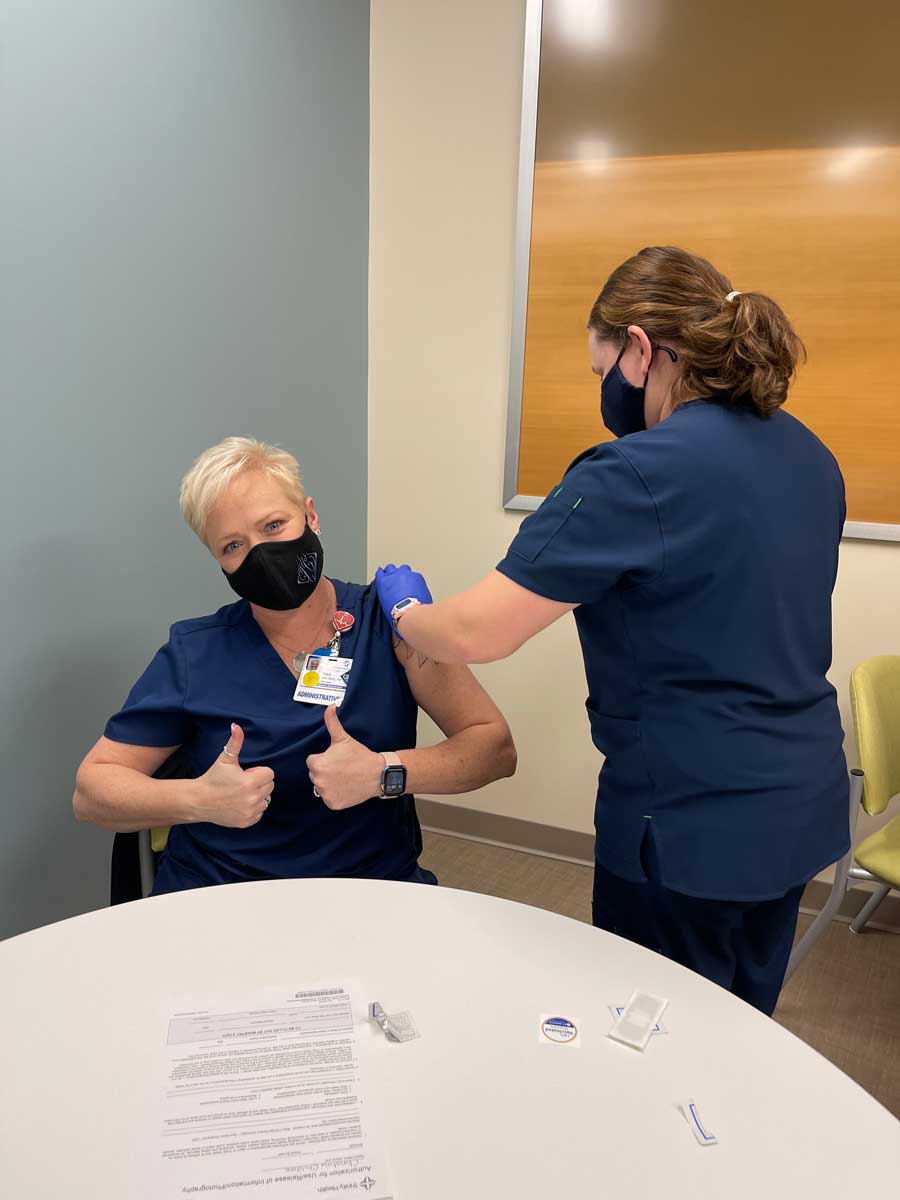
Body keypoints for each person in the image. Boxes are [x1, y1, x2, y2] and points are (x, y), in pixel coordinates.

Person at [374, 246, 849, 1015]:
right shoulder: (810, 456)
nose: (605, 392)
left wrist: (405, 608)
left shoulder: (634, 473)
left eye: (602, 371)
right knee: (742, 1019)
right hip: (798, 804)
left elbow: (474, 633)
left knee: (654, 1031)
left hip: (691, 824)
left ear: (638, 347)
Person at [74, 437, 516, 893]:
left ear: (310, 515)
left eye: (273, 525)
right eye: (233, 546)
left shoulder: (390, 624)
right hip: (223, 895)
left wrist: (385, 772)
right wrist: (199, 799)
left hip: (370, 891)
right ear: (218, 562)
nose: (260, 555)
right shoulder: (196, 652)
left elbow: (494, 748)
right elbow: (91, 792)